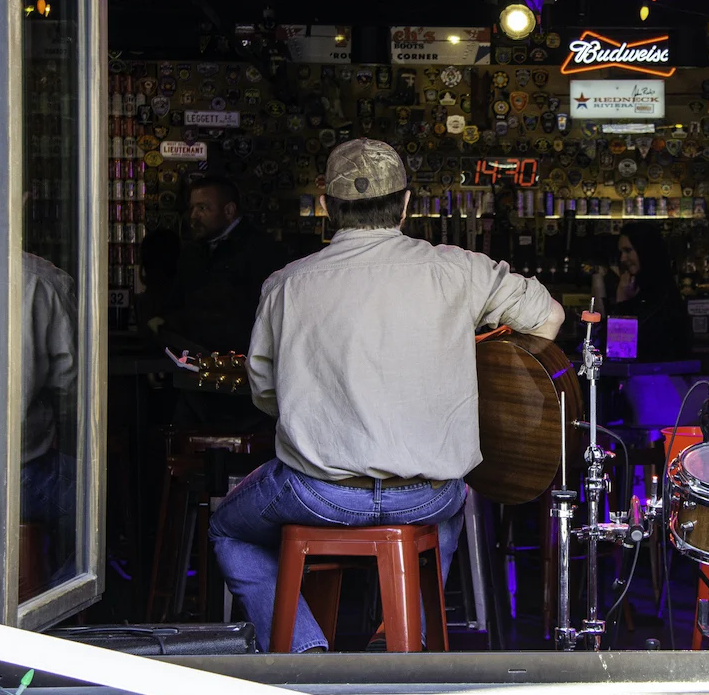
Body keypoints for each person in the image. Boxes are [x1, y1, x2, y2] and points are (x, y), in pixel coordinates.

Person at [209, 138, 564, 653]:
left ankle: (306, 650)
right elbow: (549, 318)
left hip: (321, 495)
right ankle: (401, 636)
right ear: (405, 203)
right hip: (429, 493)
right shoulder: (459, 269)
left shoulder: (287, 284)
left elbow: (266, 394)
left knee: (227, 530)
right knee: (449, 500)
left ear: (328, 207)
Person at [152, 176, 287, 355]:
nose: (193, 216)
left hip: (242, 364)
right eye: (192, 208)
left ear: (229, 210)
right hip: (194, 361)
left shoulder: (261, 251)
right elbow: (178, 300)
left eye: (203, 208)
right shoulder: (192, 252)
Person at [20, 251, 78, 591]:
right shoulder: (40, 280)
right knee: (93, 507)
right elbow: (69, 384)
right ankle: (49, 621)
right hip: (18, 478)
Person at [610, 222, 693, 361]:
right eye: (621, 252)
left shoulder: (659, 295)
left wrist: (622, 302)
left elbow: (619, 350)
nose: (622, 259)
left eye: (628, 250)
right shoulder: (651, 289)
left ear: (644, 250)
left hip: (654, 378)